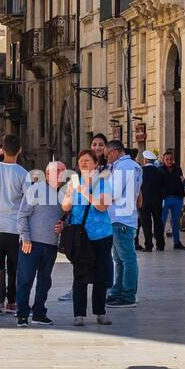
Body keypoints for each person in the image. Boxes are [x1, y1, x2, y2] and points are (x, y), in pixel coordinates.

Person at [60, 149, 114, 325]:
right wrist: (69, 191)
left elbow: (103, 206)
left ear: (95, 164)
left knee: (100, 274)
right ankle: (79, 314)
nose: (83, 163)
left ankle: (100, 311)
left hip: (101, 235)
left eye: (87, 161)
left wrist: (84, 191)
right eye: (81, 160)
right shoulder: (73, 183)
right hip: (81, 236)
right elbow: (66, 208)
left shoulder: (103, 183)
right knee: (80, 275)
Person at [0, 134, 29, 318]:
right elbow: (27, 202)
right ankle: (13, 302)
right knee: (14, 266)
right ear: (19, 150)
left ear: (2, 150)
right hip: (15, 225)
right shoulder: (24, 173)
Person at [15, 160, 65, 326]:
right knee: (26, 279)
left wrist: (63, 225)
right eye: (57, 171)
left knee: (45, 281)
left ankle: (39, 313)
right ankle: (22, 314)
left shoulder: (64, 194)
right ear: (47, 173)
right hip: (31, 243)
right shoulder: (35, 189)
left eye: (63, 171)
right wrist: (25, 237)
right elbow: (22, 215)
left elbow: (67, 217)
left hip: (51, 245)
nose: (61, 174)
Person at [105, 139, 143, 306]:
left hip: (120, 218)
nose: (107, 158)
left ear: (115, 151)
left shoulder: (122, 167)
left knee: (126, 258)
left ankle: (128, 294)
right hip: (126, 217)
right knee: (119, 258)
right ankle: (117, 290)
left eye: (107, 155)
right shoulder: (136, 166)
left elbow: (112, 192)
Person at [159, 149, 185, 251]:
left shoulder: (178, 169)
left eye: (171, 159)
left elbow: (180, 182)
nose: (169, 161)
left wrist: (182, 194)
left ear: (173, 159)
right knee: (162, 221)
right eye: (167, 159)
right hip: (165, 199)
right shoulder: (160, 170)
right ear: (163, 160)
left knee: (175, 222)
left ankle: (177, 243)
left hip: (177, 199)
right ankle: (160, 242)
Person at [139, 151, 164, 252]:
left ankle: (148, 245)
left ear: (145, 160)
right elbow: (163, 186)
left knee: (146, 224)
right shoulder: (160, 171)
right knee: (158, 223)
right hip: (157, 201)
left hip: (144, 201)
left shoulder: (140, 170)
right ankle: (160, 245)